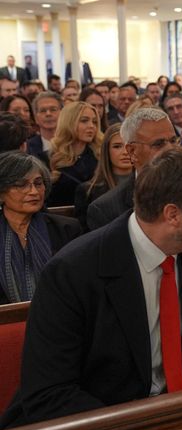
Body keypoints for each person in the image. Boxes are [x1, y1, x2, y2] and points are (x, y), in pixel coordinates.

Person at [0, 148, 182, 428]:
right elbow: (49, 395)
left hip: (172, 414)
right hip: (100, 421)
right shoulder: (72, 272)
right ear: (172, 215)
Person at [0, 152, 81, 305]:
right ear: (2, 192)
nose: (34, 192)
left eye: (38, 183)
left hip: (59, 319)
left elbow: (80, 283)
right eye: (21, 184)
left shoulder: (67, 229)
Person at [87, 108, 180, 230]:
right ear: (132, 151)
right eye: (158, 144)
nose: (171, 149)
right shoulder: (106, 209)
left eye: (173, 141)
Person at [73, 123, 132, 229]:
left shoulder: (150, 186)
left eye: (129, 145)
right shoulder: (87, 191)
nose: (125, 152)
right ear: (106, 150)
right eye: (117, 146)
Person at [45, 101, 101, 207]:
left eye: (94, 122)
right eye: (84, 121)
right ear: (68, 122)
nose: (91, 126)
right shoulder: (47, 158)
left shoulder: (101, 156)